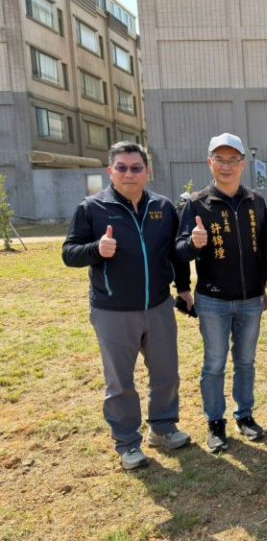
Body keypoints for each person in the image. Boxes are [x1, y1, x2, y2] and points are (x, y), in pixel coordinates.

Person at [62, 142, 192, 470]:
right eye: (121, 167)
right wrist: (96, 248)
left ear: (147, 172)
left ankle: (162, 428)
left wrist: (185, 288)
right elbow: (69, 253)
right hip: (113, 310)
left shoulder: (163, 207)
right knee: (120, 382)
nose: (129, 174)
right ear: (110, 171)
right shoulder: (92, 208)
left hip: (158, 305)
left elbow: (176, 253)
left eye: (136, 168)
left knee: (166, 373)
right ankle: (127, 443)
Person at [176, 133, 267, 453]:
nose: (226, 166)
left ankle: (245, 415)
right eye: (220, 159)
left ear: (243, 164)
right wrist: (193, 244)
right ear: (209, 163)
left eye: (233, 160)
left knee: (246, 361)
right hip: (213, 300)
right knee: (214, 363)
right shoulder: (195, 203)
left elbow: (263, 249)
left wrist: (263, 288)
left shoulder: (256, 202)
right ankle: (215, 422)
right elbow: (178, 251)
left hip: (250, 300)